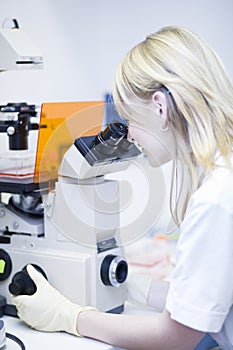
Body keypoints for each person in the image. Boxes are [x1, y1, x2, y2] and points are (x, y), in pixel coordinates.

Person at [11, 26, 233, 350]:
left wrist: (69, 316)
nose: (128, 136)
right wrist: (134, 287)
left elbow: (174, 338)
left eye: (130, 120)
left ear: (160, 107)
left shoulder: (216, 199)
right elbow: (210, 299)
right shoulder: (222, 174)